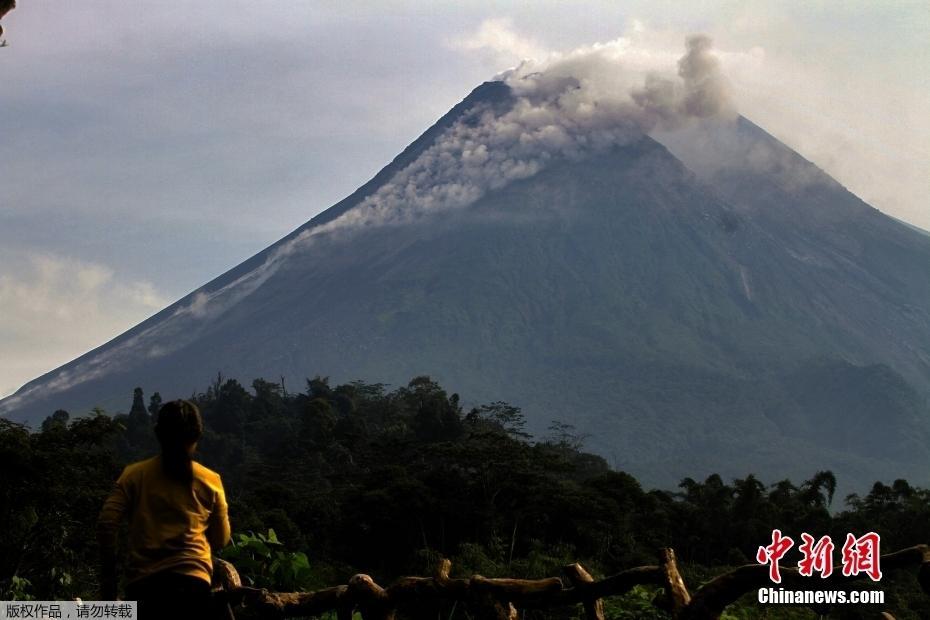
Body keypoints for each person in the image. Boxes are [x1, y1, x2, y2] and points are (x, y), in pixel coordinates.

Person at [97, 399, 231, 618]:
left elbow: (106, 524)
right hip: (194, 587)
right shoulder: (210, 480)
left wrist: (109, 584)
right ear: (197, 435)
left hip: (144, 587)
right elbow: (221, 539)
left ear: (158, 433)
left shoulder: (133, 475)